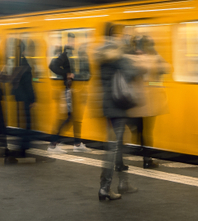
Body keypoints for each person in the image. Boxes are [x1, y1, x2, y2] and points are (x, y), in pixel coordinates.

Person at [96, 25, 145, 201]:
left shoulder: (101, 53)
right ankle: (105, 187)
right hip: (118, 105)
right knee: (115, 147)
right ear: (115, 35)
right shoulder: (117, 53)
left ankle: (118, 184)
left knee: (115, 145)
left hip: (107, 105)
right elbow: (132, 72)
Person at [127, 35, 169, 169]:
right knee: (147, 131)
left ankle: (138, 146)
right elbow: (167, 68)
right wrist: (152, 83)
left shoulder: (131, 58)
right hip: (150, 101)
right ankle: (147, 159)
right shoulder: (153, 58)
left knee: (140, 128)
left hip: (136, 99)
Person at [48, 45, 91, 152]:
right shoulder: (65, 55)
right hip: (69, 91)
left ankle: (77, 144)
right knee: (68, 117)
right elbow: (52, 65)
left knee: (75, 117)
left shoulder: (74, 55)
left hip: (75, 91)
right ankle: (53, 144)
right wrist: (66, 74)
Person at [9, 39, 36, 161]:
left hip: (18, 97)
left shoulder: (16, 63)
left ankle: (22, 146)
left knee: (22, 123)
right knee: (27, 123)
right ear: (24, 51)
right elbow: (28, 85)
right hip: (25, 98)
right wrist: (33, 99)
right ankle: (23, 147)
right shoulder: (25, 65)